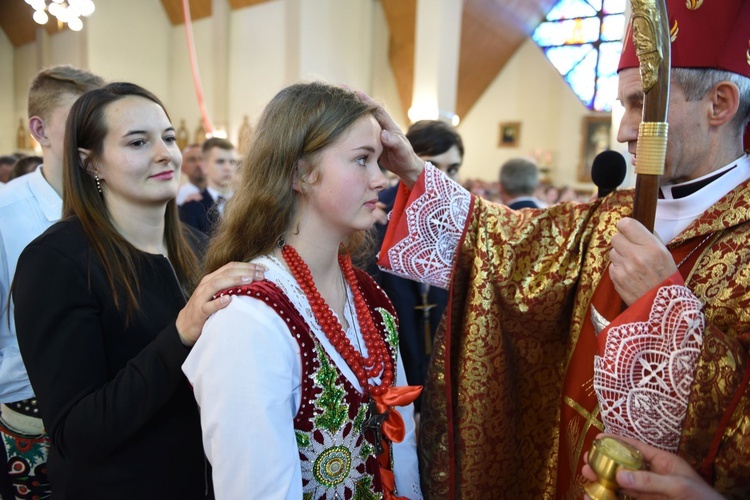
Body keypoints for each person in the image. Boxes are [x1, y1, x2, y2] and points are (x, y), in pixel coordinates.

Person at [372, 0, 750, 497]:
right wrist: (414, 172)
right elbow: (508, 247)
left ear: (719, 104)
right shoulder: (611, 214)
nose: (622, 130)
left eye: (640, 103)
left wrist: (668, 311)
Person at [11, 82, 262, 498]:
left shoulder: (197, 247)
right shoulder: (57, 261)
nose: (165, 153)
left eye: (168, 138)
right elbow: (76, 432)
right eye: (137, 142)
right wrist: (180, 334)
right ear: (91, 164)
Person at [182, 81, 422, 499]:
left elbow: (403, 451)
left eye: (379, 161)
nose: (381, 179)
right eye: (362, 160)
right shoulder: (248, 319)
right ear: (299, 173)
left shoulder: (369, 296)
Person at [0, 65, 105, 499]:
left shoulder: (117, 201)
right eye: (81, 124)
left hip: (114, 400)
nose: (95, 138)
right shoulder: (7, 213)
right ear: (39, 130)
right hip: (32, 406)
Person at [373, 120, 464, 412]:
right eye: (431, 164)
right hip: (392, 373)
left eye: (453, 169)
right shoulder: (376, 214)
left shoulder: (460, 220)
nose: (443, 177)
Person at [179, 137, 238, 234]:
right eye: (220, 161)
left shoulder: (248, 203)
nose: (228, 168)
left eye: (232, 162)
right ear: (204, 166)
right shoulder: (190, 208)